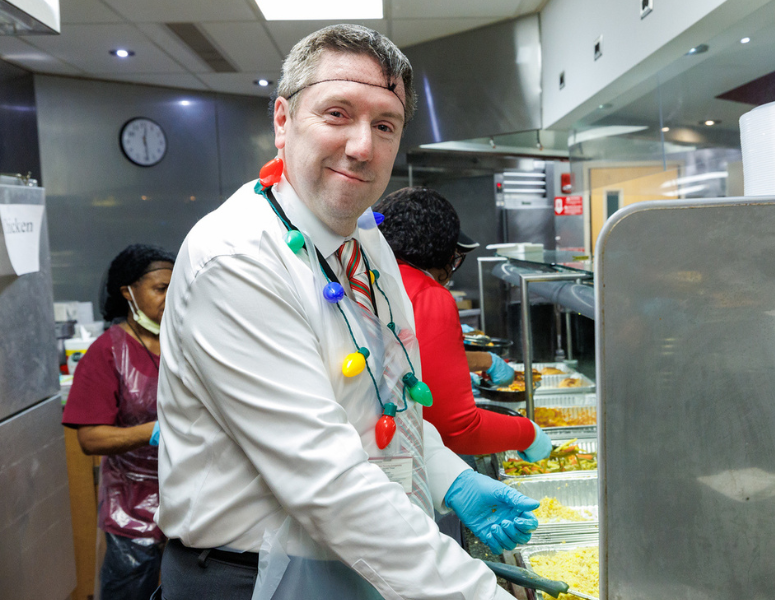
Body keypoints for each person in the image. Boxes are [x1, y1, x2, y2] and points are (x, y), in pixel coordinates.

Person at [154, 24, 538, 600]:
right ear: (283, 120)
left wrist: (448, 476)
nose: (363, 146)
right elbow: (328, 480)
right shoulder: (235, 260)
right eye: (337, 113)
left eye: (385, 125)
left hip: (341, 564)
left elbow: (387, 401)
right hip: (248, 578)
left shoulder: (364, 236)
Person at [377, 187, 553, 460]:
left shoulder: (374, 275)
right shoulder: (428, 295)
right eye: (454, 255)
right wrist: (528, 432)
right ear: (440, 247)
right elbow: (457, 429)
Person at [61, 243, 174, 600]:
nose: (171, 297)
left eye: (176, 286)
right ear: (129, 292)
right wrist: (153, 432)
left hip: (191, 502)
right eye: (160, 289)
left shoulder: (186, 342)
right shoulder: (108, 351)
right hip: (132, 511)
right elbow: (90, 439)